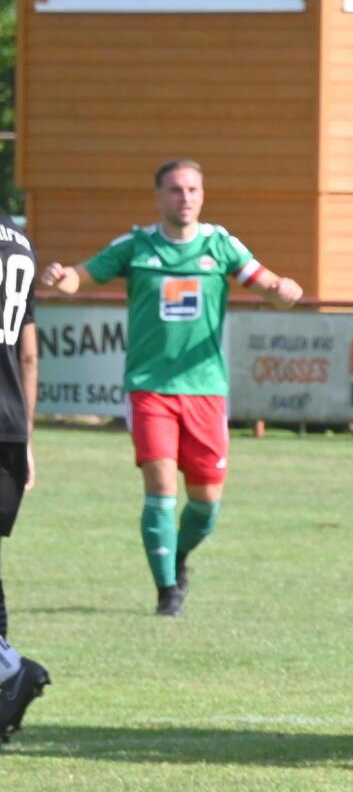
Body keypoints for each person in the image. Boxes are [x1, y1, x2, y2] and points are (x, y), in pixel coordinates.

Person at [39, 159, 302, 616]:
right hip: (150, 388)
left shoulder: (220, 245)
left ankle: (177, 554)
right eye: (176, 190)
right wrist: (63, 280)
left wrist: (283, 290)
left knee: (206, 504)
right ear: (159, 196)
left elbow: (265, 283)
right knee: (160, 486)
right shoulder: (136, 246)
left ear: (203, 195)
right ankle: (167, 593)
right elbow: (81, 276)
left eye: (193, 190)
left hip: (205, 390)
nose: (185, 198)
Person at [0, 215, 51, 744]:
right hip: (10, 423)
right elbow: (29, 352)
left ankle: (10, 669)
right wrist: (27, 438)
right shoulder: (19, 242)